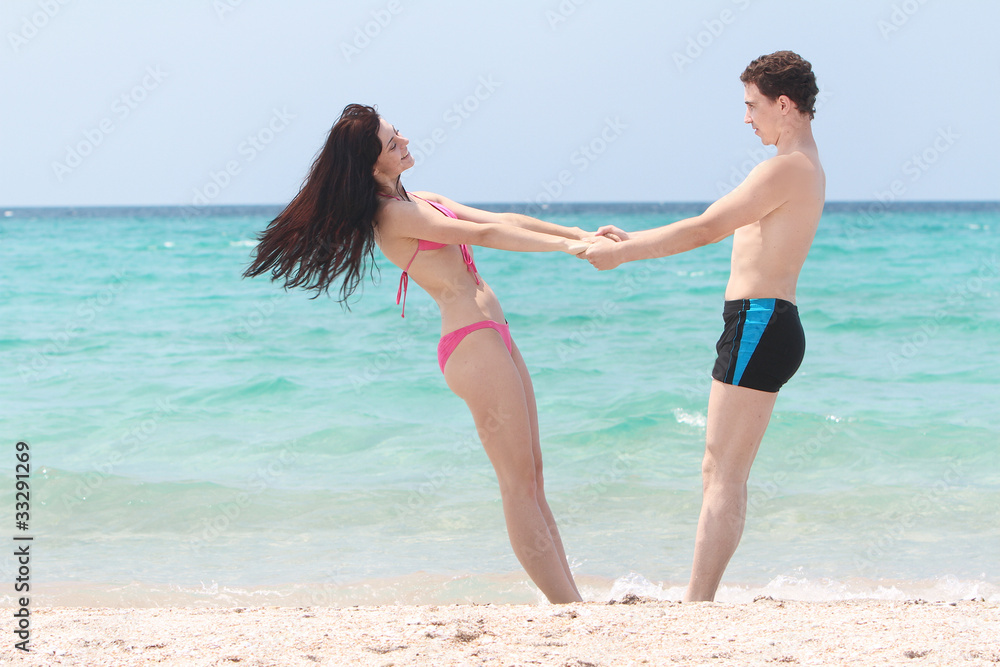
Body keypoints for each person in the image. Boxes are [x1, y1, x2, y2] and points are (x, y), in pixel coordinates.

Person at [244, 103, 599, 603]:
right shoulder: (393, 215)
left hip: (494, 333)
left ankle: (571, 600)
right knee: (517, 483)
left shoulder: (421, 199)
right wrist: (571, 251)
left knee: (534, 476)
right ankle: (568, 608)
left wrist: (581, 235)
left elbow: (501, 219)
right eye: (393, 144)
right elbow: (484, 236)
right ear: (371, 165)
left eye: (399, 134)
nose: (406, 142)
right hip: (472, 343)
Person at [583, 51, 825, 601]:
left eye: (752, 106)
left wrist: (623, 255)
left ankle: (697, 601)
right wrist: (634, 240)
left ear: (783, 104)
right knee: (724, 470)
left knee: (721, 471)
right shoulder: (805, 164)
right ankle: (701, 596)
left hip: (758, 322)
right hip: (770, 323)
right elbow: (709, 224)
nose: (747, 118)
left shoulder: (785, 168)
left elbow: (706, 229)